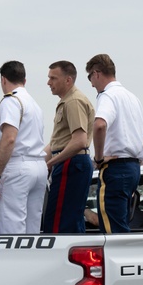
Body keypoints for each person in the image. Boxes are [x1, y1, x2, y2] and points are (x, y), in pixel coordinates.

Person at [86, 54, 143, 233]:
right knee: (120, 225)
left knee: (112, 231)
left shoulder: (108, 96)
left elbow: (99, 124)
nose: (91, 84)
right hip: (133, 166)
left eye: (90, 77)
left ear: (97, 73)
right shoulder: (133, 98)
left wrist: (98, 158)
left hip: (116, 168)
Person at [0, 61, 46, 234]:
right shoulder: (35, 105)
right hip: (38, 166)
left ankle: (12, 261)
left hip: (18, 166)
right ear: (24, 80)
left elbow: (9, 139)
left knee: (11, 228)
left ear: (3, 80)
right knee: (32, 229)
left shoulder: (11, 101)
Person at [43, 61, 96, 233]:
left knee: (62, 221)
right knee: (65, 217)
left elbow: (79, 141)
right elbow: (59, 141)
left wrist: (50, 163)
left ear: (68, 80)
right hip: (68, 161)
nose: (48, 82)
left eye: (53, 78)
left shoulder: (73, 101)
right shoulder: (67, 101)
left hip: (70, 162)